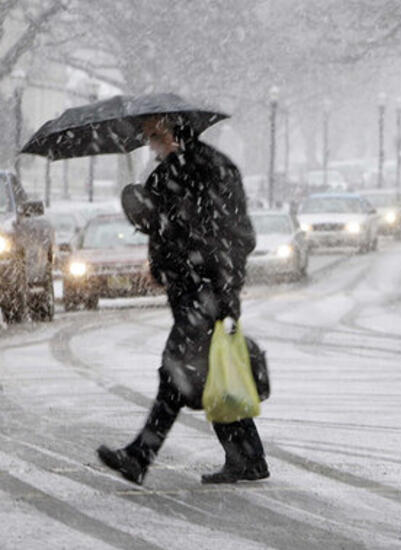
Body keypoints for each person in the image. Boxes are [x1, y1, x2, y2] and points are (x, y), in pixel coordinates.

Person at [97, 114, 269, 484]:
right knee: (212, 373)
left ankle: (139, 456)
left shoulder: (207, 170)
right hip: (194, 291)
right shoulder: (178, 171)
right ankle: (249, 458)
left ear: (175, 132)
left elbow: (235, 236)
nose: (151, 143)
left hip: (204, 293)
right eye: (148, 136)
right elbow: (160, 225)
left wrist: (215, 284)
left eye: (155, 134)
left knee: (174, 374)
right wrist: (142, 213)